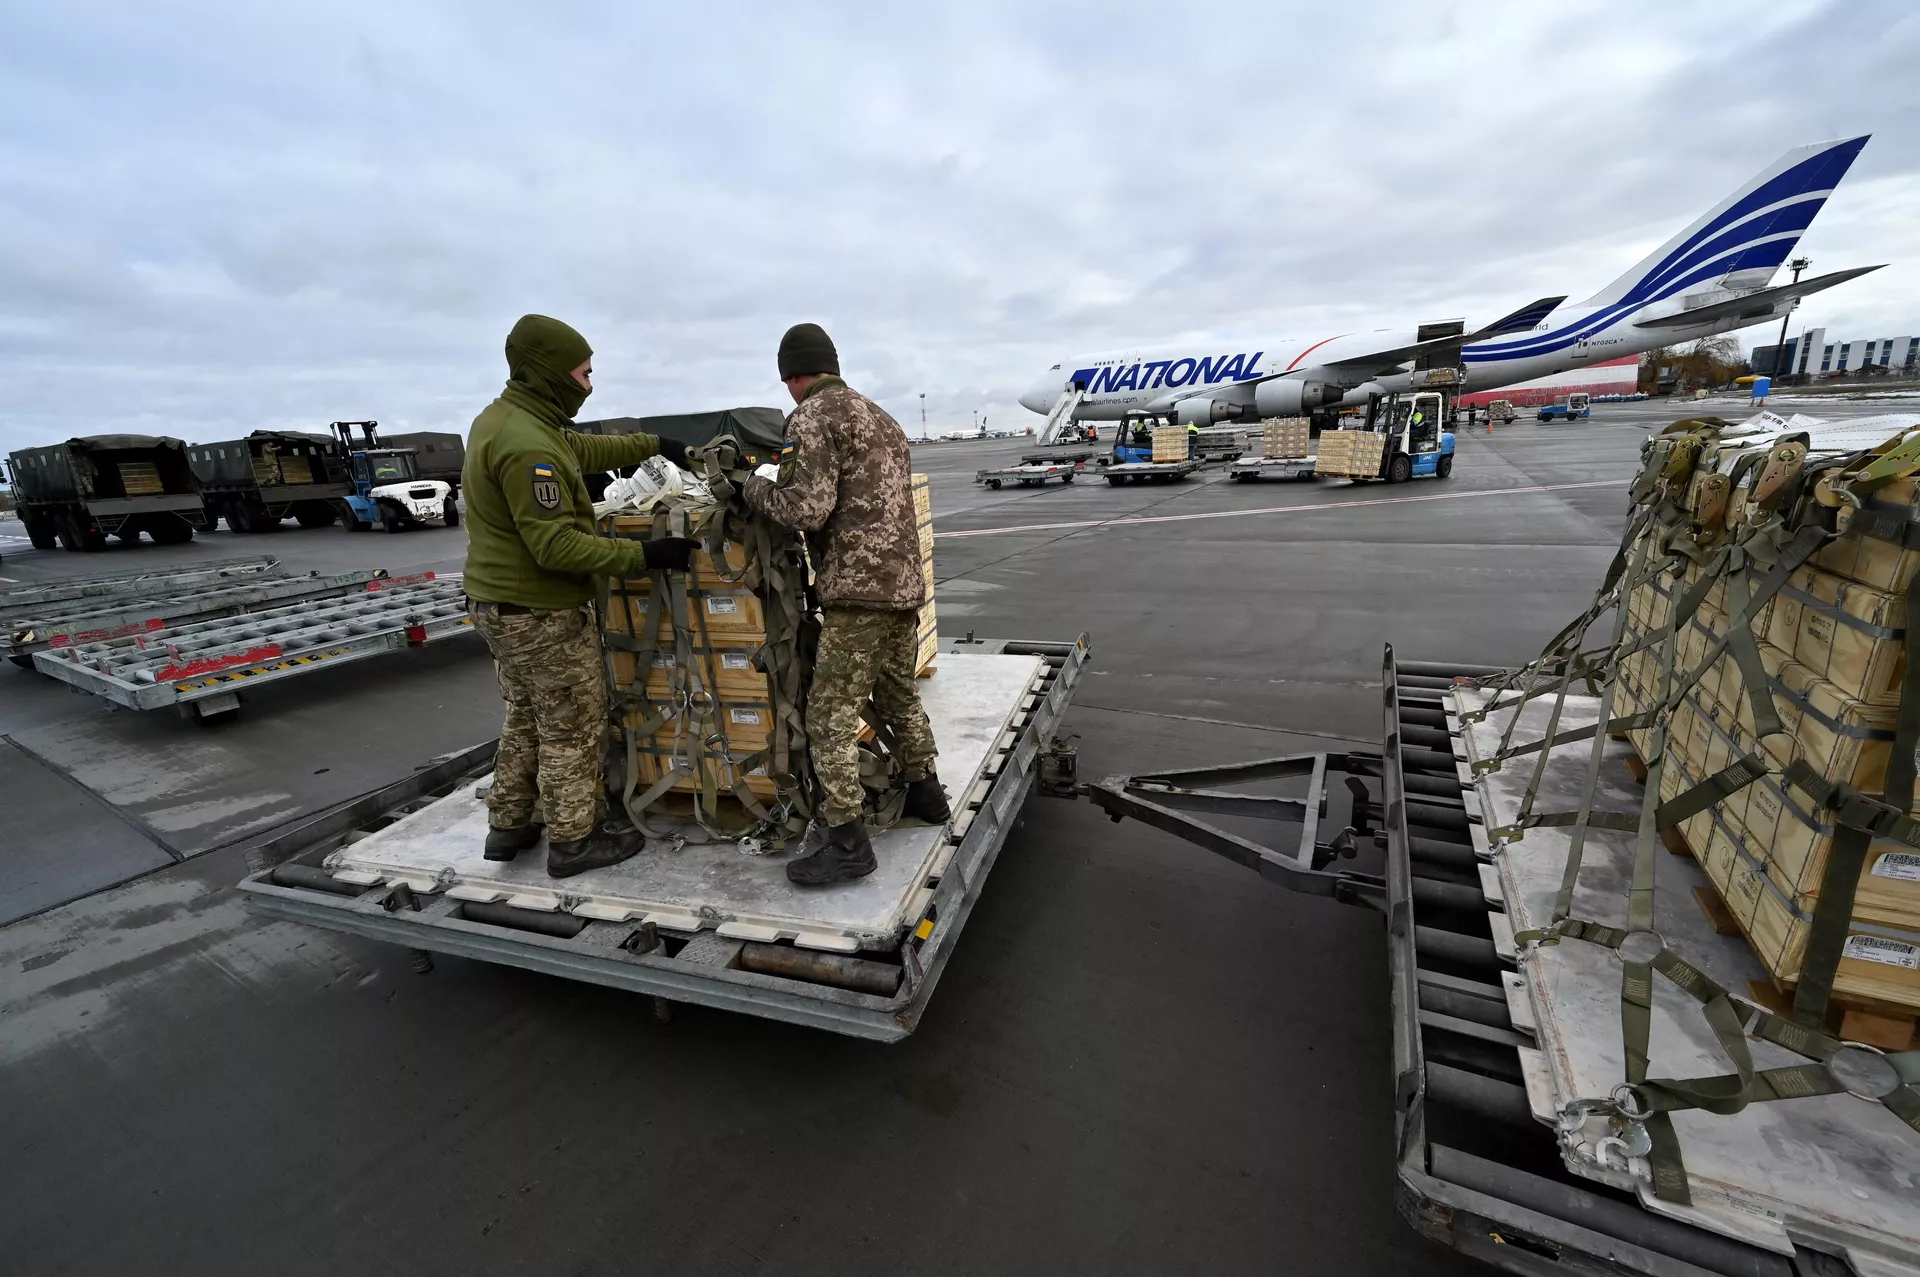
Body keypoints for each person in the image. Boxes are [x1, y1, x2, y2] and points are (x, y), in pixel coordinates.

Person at [462, 313, 699, 879]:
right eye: (583, 374)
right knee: (571, 722)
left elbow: (583, 451)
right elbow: (554, 546)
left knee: (528, 715)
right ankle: (575, 839)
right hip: (539, 611)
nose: (589, 386)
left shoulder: (508, 420)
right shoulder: (526, 446)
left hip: (498, 605)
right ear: (548, 372)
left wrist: (658, 445)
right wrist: (644, 557)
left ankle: (510, 823)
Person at [742, 323, 949, 886]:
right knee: (897, 692)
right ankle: (928, 795)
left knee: (828, 715)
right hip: (902, 586)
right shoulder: (881, 415)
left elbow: (804, 508)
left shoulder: (811, 417)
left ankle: (847, 843)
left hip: (858, 593)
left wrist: (750, 486)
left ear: (792, 375)